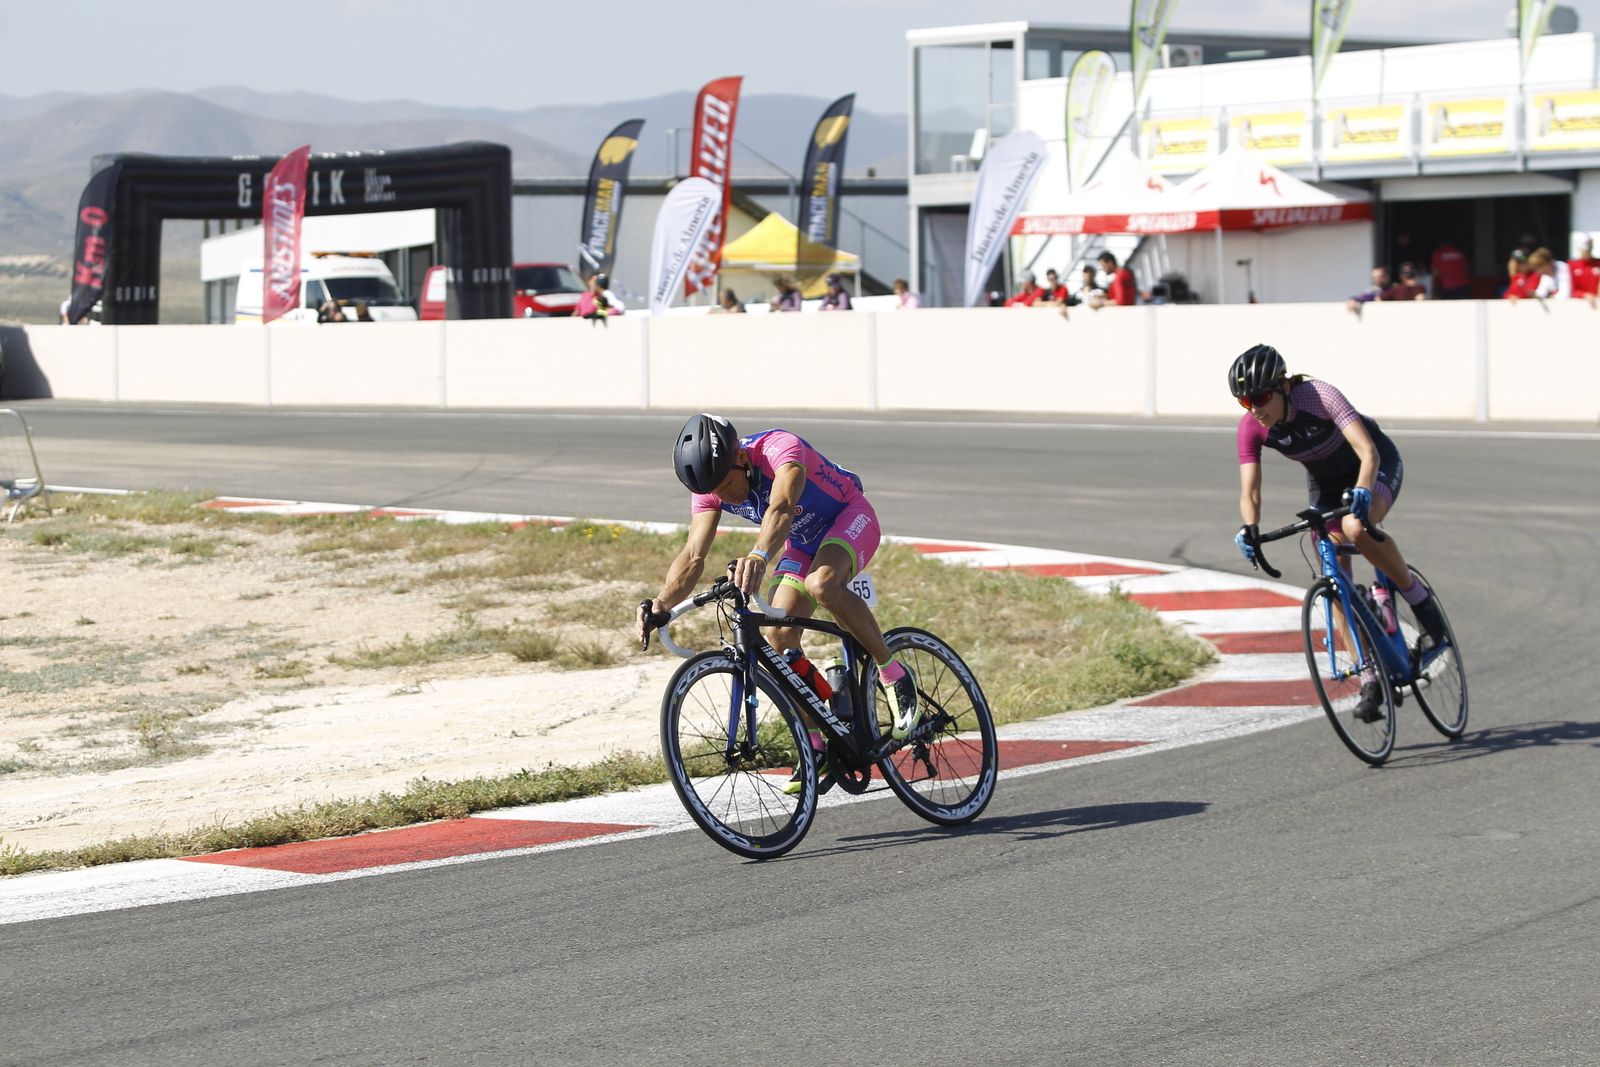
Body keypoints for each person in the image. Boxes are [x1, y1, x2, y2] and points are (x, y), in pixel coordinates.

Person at [637, 414, 922, 794]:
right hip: (803, 544)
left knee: (822, 584)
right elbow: (692, 556)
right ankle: (819, 741)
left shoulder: (778, 449)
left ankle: (894, 675)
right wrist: (660, 603)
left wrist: (757, 555)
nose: (724, 497)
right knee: (778, 636)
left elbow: (783, 506)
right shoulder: (709, 487)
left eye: (726, 485)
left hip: (849, 518)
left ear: (739, 458)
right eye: (715, 492)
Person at [1228, 344, 1448, 722]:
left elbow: (1367, 452)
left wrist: (1363, 489)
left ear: (1282, 387)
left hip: (1373, 465)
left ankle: (1420, 603)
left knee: (1355, 527)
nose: (1255, 408)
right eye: (1245, 402)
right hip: (1326, 484)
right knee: (1330, 568)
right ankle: (1369, 677)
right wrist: (1249, 529)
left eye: (1261, 397)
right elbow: (1250, 490)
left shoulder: (1319, 395)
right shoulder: (1252, 426)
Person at [1569, 233, 1599, 306]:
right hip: (1580, 305)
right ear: (1579, 248)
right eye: (1585, 250)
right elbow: (1570, 289)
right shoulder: (1572, 265)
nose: (1588, 252)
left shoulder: (1598, 263)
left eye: (1589, 249)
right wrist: (1584, 295)